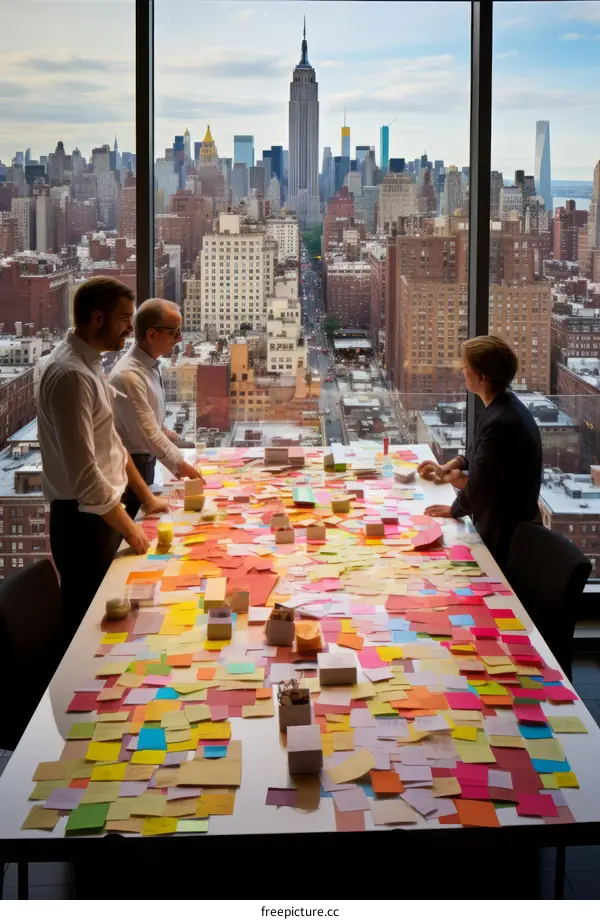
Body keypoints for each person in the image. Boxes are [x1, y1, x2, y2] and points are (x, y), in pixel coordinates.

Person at [37, 277, 169, 635]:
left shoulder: (88, 362)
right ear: (98, 318)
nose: (131, 327)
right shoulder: (70, 375)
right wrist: (131, 530)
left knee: (119, 622)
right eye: (125, 317)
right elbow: (85, 477)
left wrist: (145, 498)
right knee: (92, 633)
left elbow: (110, 440)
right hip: (84, 525)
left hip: (104, 516)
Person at [419, 335, 542, 568]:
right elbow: (482, 458)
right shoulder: (503, 407)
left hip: (505, 539)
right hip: (502, 528)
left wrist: (454, 510)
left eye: (467, 368)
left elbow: (481, 487)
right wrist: (452, 465)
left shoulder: (501, 422)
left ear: (482, 377)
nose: (463, 372)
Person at [109, 298, 203, 520]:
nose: (179, 339)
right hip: (131, 473)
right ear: (151, 335)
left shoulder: (149, 366)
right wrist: (181, 464)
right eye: (174, 332)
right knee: (138, 531)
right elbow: (148, 433)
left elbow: (156, 425)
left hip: (147, 464)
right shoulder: (128, 376)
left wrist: (182, 442)